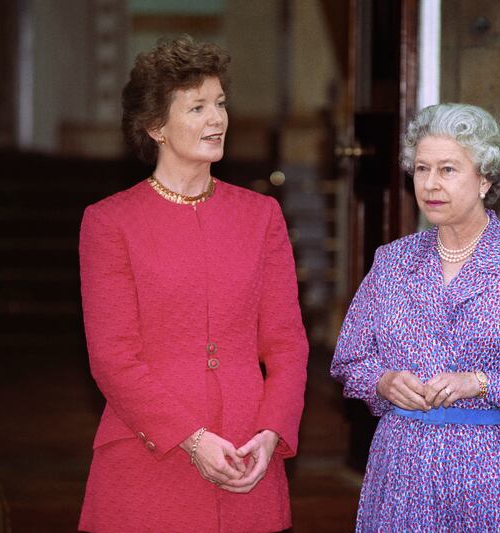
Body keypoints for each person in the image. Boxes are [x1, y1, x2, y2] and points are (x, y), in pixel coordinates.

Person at [78, 36, 308, 532]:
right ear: (155, 126)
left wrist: (272, 432)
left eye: (221, 104)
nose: (217, 119)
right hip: (148, 457)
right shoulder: (108, 222)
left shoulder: (261, 215)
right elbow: (113, 357)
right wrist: (192, 438)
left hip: (248, 457)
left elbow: (287, 343)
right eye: (198, 107)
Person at [331, 103, 500, 531]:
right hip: (401, 481)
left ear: (485, 178)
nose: (430, 184)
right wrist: (383, 381)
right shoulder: (392, 263)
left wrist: (483, 383)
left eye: (448, 169)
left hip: (498, 486)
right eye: (421, 169)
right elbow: (349, 361)